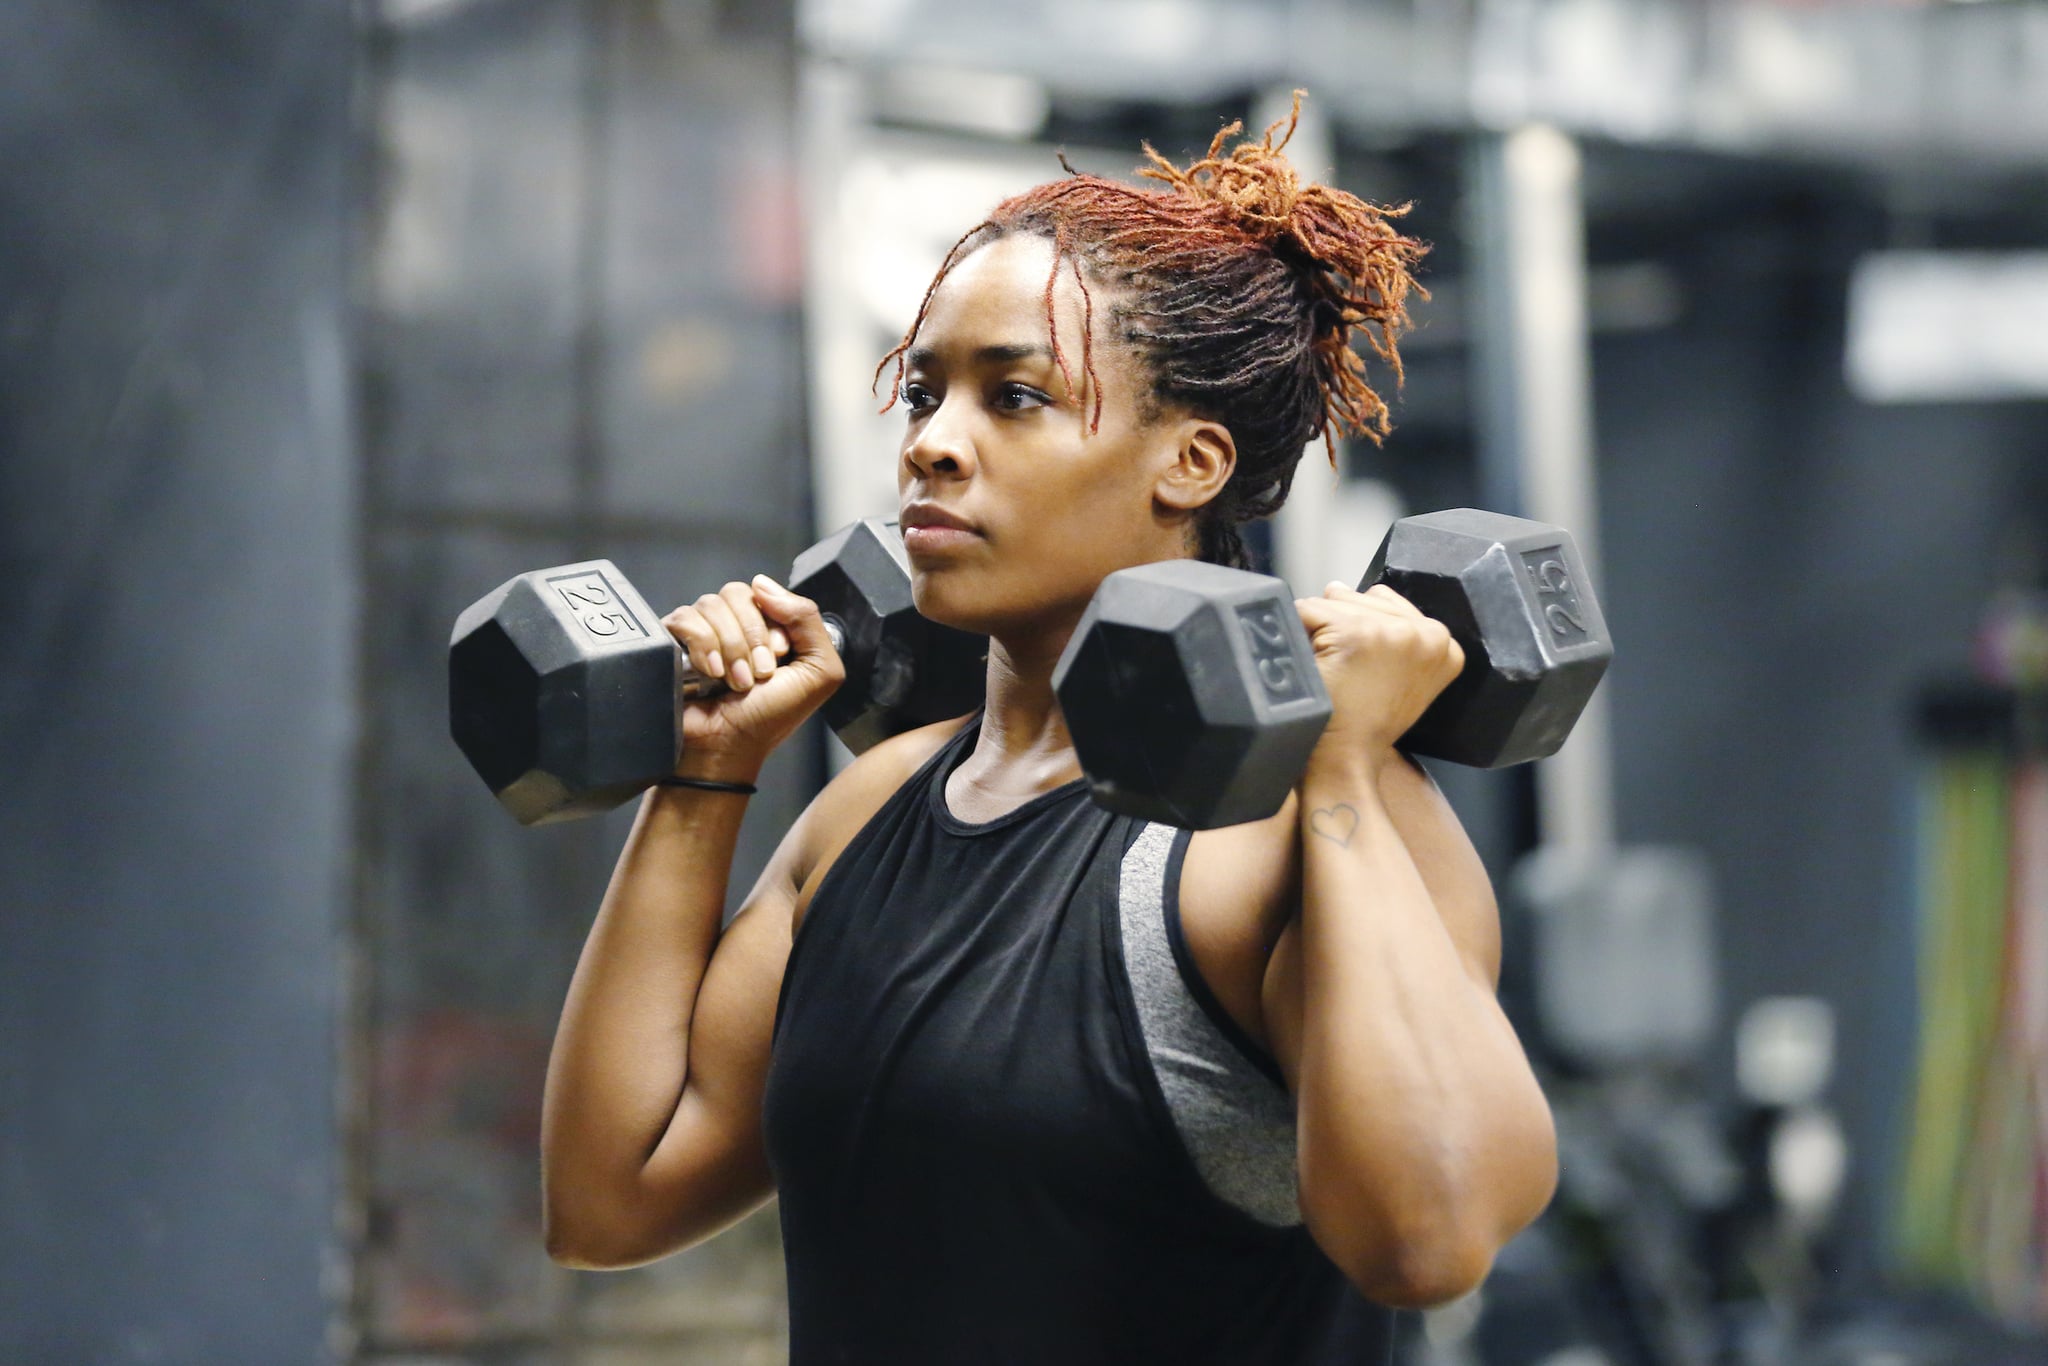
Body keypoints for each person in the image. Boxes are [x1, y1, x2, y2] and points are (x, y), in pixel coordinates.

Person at [538, 96, 1558, 1363]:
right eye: (923, 393)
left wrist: (1345, 764)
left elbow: (1430, 1238)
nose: (931, 449)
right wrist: (704, 776)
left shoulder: (1287, 820)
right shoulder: (868, 808)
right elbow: (609, 1195)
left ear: (1186, 462)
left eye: (1011, 397)